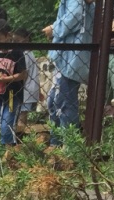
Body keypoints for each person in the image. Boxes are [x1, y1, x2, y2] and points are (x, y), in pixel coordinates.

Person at [45, 0, 95, 139]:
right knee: (55, 100)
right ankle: (58, 142)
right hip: (69, 56)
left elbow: (75, 15)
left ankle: (68, 144)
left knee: (63, 101)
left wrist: (54, 29)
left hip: (70, 56)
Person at [0, 30, 26, 145]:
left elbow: (23, 74)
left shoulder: (17, 53)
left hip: (12, 94)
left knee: (7, 121)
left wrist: (5, 79)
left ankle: (7, 147)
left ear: (7, 35)